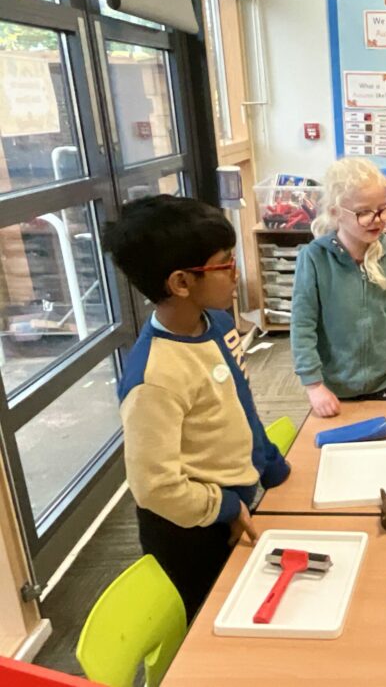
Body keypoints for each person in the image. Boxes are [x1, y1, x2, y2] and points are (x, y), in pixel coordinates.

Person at [104, 195, 290, 622]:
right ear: (181, 283)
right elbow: (155, 488)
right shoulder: (155, 379)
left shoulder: (220, 324)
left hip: (235, 503)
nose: (235, 271)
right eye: (224, 263)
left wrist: (270, 465)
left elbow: (239, 405)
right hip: (188, 533)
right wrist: (224, 507)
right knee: (212, 625)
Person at [291, 158, 386, 416]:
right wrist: (313, 385)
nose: (377, 219)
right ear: (336, 213)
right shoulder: (313, 259)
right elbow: (302, 326)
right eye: (363, 212)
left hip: (384, 384)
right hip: (332, 389)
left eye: (383, 209)